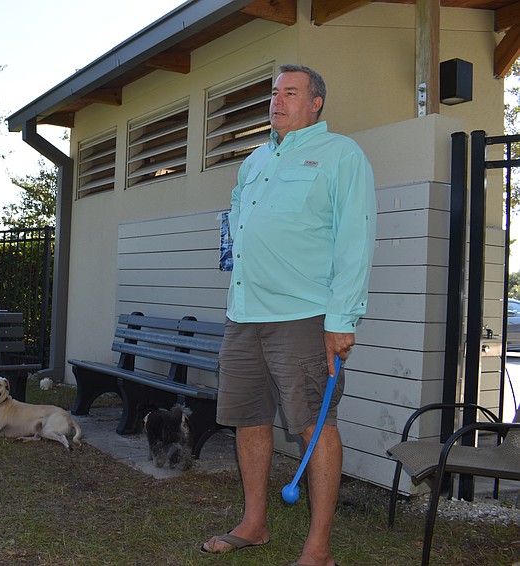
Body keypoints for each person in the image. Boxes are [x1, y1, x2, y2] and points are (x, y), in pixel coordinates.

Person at [200, 64, 376, 566]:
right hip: (244, 314)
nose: (277, 101)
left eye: (290, 93)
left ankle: (318, 548)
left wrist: (343, 318)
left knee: (313, 425)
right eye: (275, 93)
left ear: (316, 102)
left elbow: (355, 239)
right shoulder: (254, 161)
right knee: (248, 420)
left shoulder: (341, 155)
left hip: (304, 316)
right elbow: (236, 227)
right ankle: (254, 524)